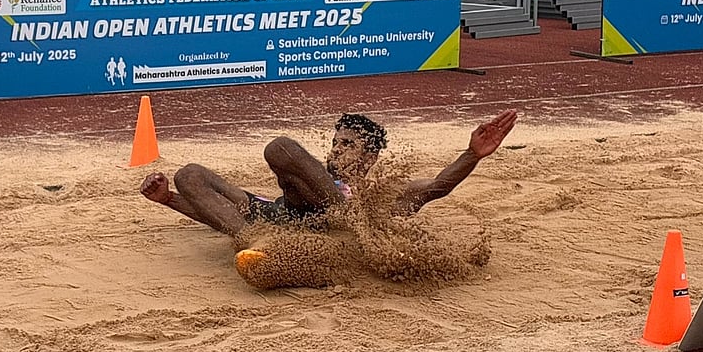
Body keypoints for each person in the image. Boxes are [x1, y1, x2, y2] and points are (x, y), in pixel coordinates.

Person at [139, 110, 518, 242]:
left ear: (369, 155)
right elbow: (214, 209)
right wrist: (169, 199)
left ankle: (339, 214)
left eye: (348, 144)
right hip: (275, 218)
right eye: (336, 142)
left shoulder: (384, 191)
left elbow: (438, 187)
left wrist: (472, 154)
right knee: (188, 175)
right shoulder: (313, 175)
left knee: (280, 147)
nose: (337, 149)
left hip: (333, 222)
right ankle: (249, 241)